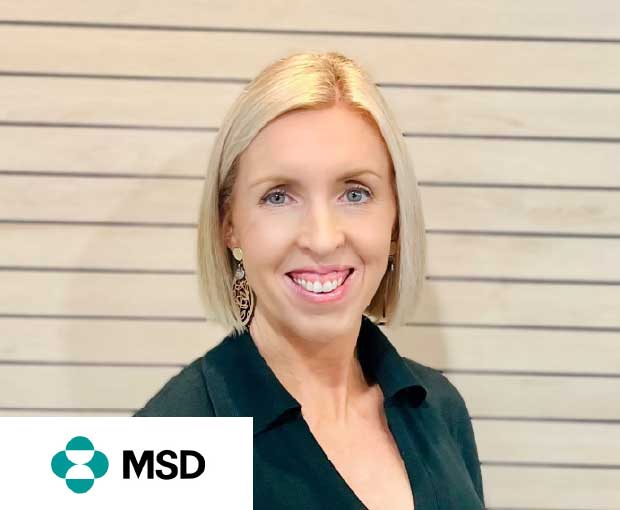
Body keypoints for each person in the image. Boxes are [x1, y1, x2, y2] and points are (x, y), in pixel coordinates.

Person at [134, 51, 485, 510]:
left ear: (396, 220)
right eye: (279, 196)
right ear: (229, 225)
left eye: (355, 193)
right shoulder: (169, 443)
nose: (322, 238)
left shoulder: (439, 407)